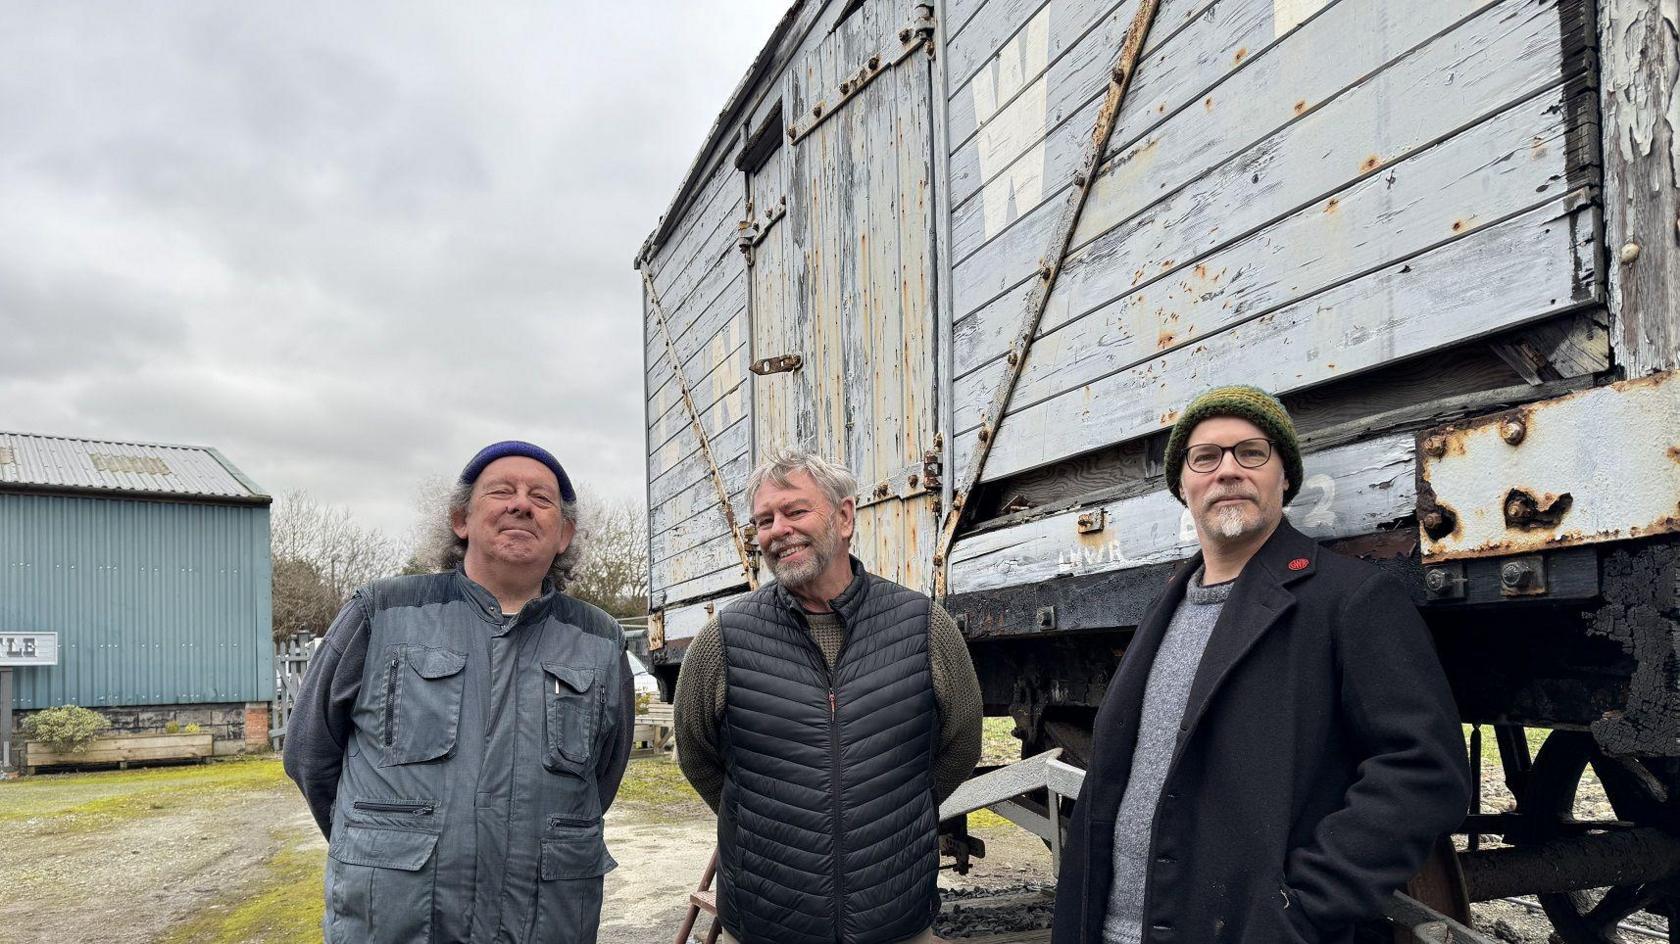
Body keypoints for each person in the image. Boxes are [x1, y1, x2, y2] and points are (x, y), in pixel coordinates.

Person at [1051, 386, 1471, 944]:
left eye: (1251, 452)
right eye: (1205, 457)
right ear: (1184, 486)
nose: (1227, 471)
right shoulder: (1166, 605)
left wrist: (1298, 911)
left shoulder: (1351, 600)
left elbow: (1425, 771)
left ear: (1285, 477)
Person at [283, 441, 633, 944]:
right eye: (500, 491)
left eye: (541, 497)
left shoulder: (599, 640)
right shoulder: (380, 613)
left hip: (545, 920)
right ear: (460, 519)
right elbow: (310, 756)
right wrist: (382, 842)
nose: (521, 504)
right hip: (397, 922)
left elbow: (601, 778)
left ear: (564, 534)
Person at [673, 448, 983, 944]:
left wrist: (892, 813)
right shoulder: (725, 638)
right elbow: (698, 757)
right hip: (763, 925)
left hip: (896, 922)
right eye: (764, 520)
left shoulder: (923, 626)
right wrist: (764, 822)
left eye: (795, 511)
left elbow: (960, 748)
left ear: (843, 517)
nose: (778, 530)